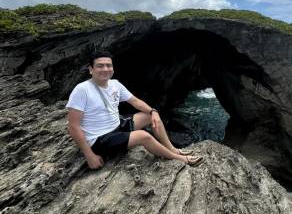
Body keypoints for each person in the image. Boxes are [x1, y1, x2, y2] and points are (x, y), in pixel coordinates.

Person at [66, 51, 203, 170]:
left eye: (108, 65)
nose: (105, 69)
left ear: (113, 69)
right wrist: (90, 156)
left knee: (149, 116)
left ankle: (172, 148)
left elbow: (135, 102)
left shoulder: (115, 84)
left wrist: (153, 112)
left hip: (117, 126)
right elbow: (73, 126)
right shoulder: (82, 90)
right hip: (100, 139)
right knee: (144, 136)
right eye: (100, 66)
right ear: (91, 69)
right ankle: (178, 159)